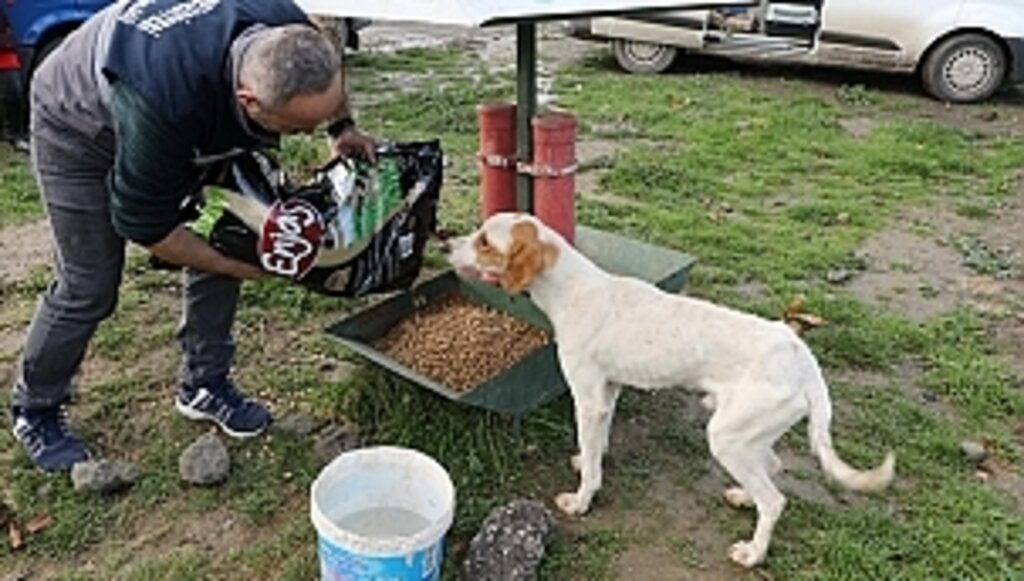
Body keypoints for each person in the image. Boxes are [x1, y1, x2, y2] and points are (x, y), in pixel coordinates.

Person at [9, 0, 375, 472]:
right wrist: (239, 269)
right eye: (298, 126)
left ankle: (204, 385)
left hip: (194, 97)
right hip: (77, 121)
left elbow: (326, 66)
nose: (305, 136)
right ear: (250, 102)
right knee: (89, 284)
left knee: (234, 234)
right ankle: (34, 409)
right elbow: (147, 225)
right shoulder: (164, 102)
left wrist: (341, 125)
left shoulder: (284, 21)